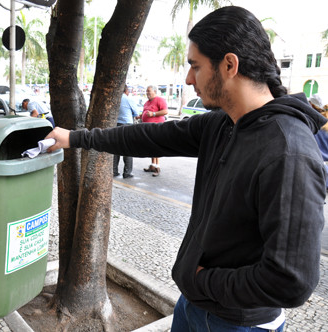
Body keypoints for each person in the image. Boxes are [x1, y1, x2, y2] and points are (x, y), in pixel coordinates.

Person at [45, 6, 326, 331]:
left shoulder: (288, 150)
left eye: (195, 66)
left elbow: (291, 280)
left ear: (229, 65)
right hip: (193, 307)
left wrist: (203, 281)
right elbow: (147, 136)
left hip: (238, 324)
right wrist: (76, 137)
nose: (188, 78)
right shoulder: (224, 123)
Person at [113, 85, 141, 178]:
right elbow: (136, 114)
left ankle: (114, 170)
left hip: (116, 125)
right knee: (127, 149)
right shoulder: (129, 99)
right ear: (126, 91)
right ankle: (127, 172)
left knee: (116, 148)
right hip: (127, 125)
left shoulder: (114, 99)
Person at [140, 85, 168, 177]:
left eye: (149, 91)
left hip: (156, 127)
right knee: (151, 147)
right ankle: (152, 165)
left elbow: (165, 111)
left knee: (155, 146)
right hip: (148, 128)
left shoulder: (159, 100)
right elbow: (145, 112)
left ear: (155, 91)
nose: (147, 93)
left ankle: (157, 167)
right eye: (146, 91)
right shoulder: (147, 102)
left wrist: (154, 114)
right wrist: (140, 116)